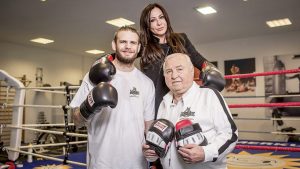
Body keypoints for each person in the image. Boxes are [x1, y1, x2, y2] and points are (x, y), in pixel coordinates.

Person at [70, 26, 155, 169]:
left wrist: (155, 153)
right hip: (101, 162)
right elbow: (76, 121)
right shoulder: (94, 76)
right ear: (114, 45)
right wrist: (88, 107)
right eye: (123, 42)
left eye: (133, 43)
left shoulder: (146, 83)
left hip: (136, 163)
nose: (128, 46)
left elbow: (149, 127)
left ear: (139, 47)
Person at [143, 53, 238, 169]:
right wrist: (151, 154)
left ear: (192, 71)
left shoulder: (209, 95)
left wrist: (205, 153)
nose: (174, 75)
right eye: (169, 71)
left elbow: (231, 135)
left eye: (179, 69)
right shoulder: (164, 103)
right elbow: (162, 149)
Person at [139, 3, 225, 116]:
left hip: (182, 103)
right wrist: (107, 62)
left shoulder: (181, 39)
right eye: (153, 20)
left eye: (161, 17)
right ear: (147, 25)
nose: (159, 23)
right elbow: (120, 54)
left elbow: (199, 60)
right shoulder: (143, 46)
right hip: (154, 106)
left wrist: (210, 70)